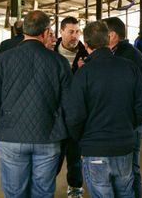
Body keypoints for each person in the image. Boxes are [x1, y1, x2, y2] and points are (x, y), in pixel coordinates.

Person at [0, 10, 72, 197]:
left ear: (24, 30)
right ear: (46, 32)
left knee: (15, 193)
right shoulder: (59, 62)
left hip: (11, 137)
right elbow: (68, 106)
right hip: (48, 136)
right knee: (43, 192)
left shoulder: (2, 60)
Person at [65, 21, 142, 197]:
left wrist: (82, 140)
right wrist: (128, 126)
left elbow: (74, 116)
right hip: (123, 146)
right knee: (126, 192)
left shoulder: (84, 73)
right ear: (107, 39)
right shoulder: (129, 67)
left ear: (86, 45)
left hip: (94, 149)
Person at [102, 17, 142, 198]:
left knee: (130, 168)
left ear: (112, 35)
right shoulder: (120, 53)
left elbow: (139, 95)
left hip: (130, 122)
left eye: (102, 32)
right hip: (124, 120)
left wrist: (132, 121)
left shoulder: (129, 56)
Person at [54, 16, 88, 198]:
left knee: (75, 156)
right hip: (55, 114)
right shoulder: (50, 51)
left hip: (76, 114)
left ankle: (75, 187)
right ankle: (45, 186)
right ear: (61, 32)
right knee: (53, 156)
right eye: (71, 32)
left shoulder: (85, 53)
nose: (75, 36)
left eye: (77, 31)